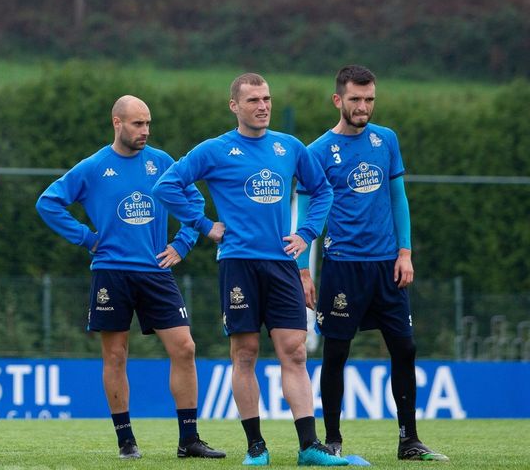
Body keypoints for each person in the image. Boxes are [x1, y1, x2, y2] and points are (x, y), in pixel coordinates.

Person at [153, 73, 347, 466]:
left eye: (267, 99)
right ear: (234, 106)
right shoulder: (215, 150)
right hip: (238, 264)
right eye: (254, 100)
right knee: (245, 353)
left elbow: (323, 190)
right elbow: (166, 186)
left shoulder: (289, 147)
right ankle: (256, 446)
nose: (263, 106)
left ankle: (310, 447)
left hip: (282, 265)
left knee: (294, 352)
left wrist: (307, 233)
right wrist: (205, 225)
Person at [36, 95, 227, 460]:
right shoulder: (94, 167)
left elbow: (196, 204)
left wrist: (184, 243)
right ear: (117, 123)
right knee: (116, 354)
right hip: (111, 273)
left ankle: (189, 440)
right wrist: (86, 238)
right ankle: (126, 441)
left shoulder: (162, 162)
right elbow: (48, 201)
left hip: (155, 272)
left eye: (148, 123)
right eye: (138, 123)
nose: (145, 131)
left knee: (185, 348)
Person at [296, 65, 448, 462]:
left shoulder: (387, 140)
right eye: (356, 99)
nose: (363, 107)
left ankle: (408, 440)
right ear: (338, 100)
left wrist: (405, 252)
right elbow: (306, 214)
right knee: (336, 352)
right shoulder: (316, 152)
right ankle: (332, 440)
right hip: (343, 267)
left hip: (387, 267)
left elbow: (398, 199)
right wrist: (303, 270)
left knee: (405, 347)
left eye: (369, 100)